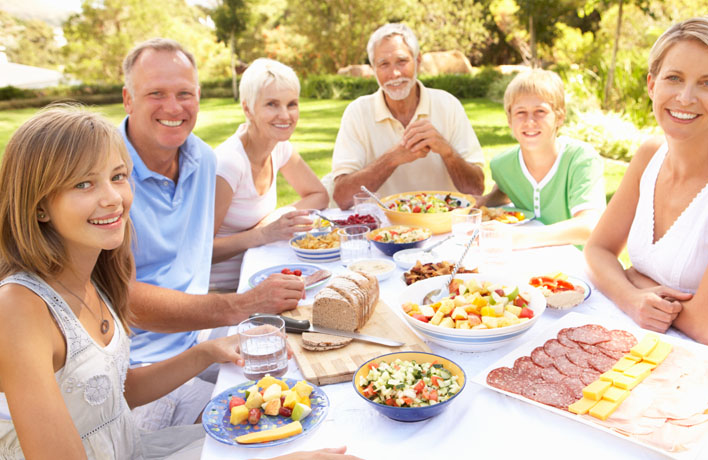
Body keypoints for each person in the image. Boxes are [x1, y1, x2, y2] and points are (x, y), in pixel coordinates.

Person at [0, 106, 244, 458]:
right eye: (83, 183)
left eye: (117, 176)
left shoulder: (96, 274)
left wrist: (205, 353)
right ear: (39, 207)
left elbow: (110, 392)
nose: (113, 198)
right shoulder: (18, 309)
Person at [120, 38, 304, 430]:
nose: (173, 107)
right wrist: (240, 305)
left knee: (300, 361)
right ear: (128, 99)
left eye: (184, 93)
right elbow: (124, 297)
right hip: (138, 369)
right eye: (156, 93)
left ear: (198, 96)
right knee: (270, 431)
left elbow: (194, 257)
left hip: (199, 336)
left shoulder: (201, 158)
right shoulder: (105, 171)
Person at [584, 17, 708, 377]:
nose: (685, 97)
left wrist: (632, 276)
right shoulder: (649, 154)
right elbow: (596, 251)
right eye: (674, 78)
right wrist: (632, 296)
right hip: (646, 356)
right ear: (652, 84)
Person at [329, 23, 485, 209]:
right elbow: (342, 197)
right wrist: (393, 158)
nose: (394, 73)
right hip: (383, 231)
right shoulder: (357, 112)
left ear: (417, 61)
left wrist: (447, 151)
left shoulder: (448, 105)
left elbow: (476, 190)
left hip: (444, 227)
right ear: (373, 69)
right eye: (383, 64)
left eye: (402, 61)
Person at [211, 58, 328, 292]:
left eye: (291, 104)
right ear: (247, 108)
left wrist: (279, 215)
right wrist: (262, 234)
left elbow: (319, 195)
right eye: (272, 104)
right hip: (224, 291)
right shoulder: (229, 163)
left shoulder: (278, 146)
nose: (285, 115)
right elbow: (200, 252)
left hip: (264, 273)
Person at [476, 69, 605, 248]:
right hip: (531, 260)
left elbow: (589, 226)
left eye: (540, 111)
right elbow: (504, 190)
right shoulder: (502, 166)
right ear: (509, 120)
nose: (530, 121)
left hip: (582, 263)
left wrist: (516, 237)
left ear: (559, 116)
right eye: (520, 112)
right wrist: (478, 204)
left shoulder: (581, 160)